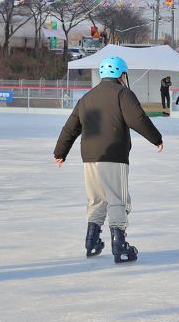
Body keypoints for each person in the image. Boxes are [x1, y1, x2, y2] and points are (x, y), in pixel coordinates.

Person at [54, 57, 163, 264]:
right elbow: (137, 118)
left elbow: (71, 127)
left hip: (90, 157)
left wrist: (60, 152)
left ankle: (92, 242)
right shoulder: (123, 93)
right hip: (114, 155)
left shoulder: (87, 97)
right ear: (122, 74)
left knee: (96, 199)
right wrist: (156, 138)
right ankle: (119, 246)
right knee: (116, 199)